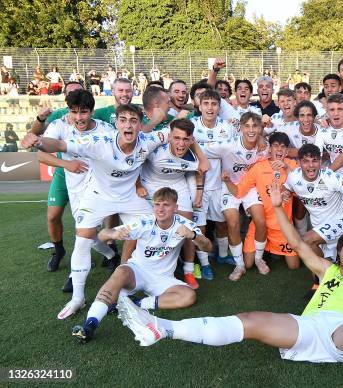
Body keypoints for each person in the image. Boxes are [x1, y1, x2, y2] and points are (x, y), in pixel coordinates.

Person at [117, 181, 343, 376]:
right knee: (250, 321)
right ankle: (162, 329)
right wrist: (276, 207)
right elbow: (296, 242)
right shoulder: (327, 269)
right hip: (307, 330)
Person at [21, 104, 208, 320]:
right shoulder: (100, 142)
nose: (128, 124)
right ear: (117, 123)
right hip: (99, 195)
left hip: (130, 197)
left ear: (140, 125)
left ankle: (130, 272)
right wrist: (39, 141)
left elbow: (184, 135)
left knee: (150, 226)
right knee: (83, 240)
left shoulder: (149, 140)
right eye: (123, 120)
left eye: (133, 120)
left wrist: (201, 158)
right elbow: (61, 143)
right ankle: (78, 298)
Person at [72, 187, 213, 343]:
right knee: (120, 273)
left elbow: (208, 247)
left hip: (163, 278)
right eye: (157, 204)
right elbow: (101, 235)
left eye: (166, 205)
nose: (160, 209)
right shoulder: (144, 221)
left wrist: (192, 235)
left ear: (176, 208)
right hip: (137, 271)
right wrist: (112, 233)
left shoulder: (184, 224)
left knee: (189, 296)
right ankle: (89, 325)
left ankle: (135, 303)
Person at [36, 89, 120, 277]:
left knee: (83, 233)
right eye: (74, 112)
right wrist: (66, 164)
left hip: (99, 190)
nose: (79, 117)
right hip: (75, 189)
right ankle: (111, 254)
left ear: (91, 111)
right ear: (69, 111)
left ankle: (75, 279)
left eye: (84, 112)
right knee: (90, 235)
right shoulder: (60, 126)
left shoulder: (106, 129)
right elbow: (41, 154)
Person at [198, 112, 268, 281]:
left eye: (255, 126)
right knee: (233, 222)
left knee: (261, 220)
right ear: (241, 128)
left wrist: (263, 139)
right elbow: (199, 146)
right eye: (247, 126)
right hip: (230, 186)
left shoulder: (264, 147)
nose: (251, 130)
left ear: (260, 128)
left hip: (250, 188)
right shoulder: (228, 145)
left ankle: (258, 258)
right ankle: (239, 265)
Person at [137, 118, 204, 289]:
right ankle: (139, 267)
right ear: (169, 137)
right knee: (151, 223)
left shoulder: (194, 157)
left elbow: (201, 170)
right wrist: (138, 186)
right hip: (151, 184)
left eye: (185, 139)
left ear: (191, 140)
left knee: (188, 224)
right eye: (177, 138)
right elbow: (136, 160)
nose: (181, 144)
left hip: (177, 184)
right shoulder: (156, 149)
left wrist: (199, 194)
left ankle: (188, 270)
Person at [222, 132, 300, 273]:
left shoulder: (292, 165)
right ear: (270, 149)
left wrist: (286, 169)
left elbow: (303, 188)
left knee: (293, 265)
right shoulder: (259, 167)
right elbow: (239, 192)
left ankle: (272, 251)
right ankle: (267, 252)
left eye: (283, 147)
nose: (279, 150)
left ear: (287, 151)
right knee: (248, 264)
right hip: (261, 224)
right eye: (276, 146)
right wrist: (227, 181)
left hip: (282, 227)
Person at [191, 89, 238, 280]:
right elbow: (187, 148)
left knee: (221, 222)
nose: (210, 108)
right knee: (200, 227)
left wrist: (199, 147)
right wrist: (218, 148)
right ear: (199, 106)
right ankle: (204, 264)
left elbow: (229, 151)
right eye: (206, 104)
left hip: (220, 184)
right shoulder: (192, 125)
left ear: (219, 107)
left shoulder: (227, 127)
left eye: (214, 104)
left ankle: (223, 255)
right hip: (197, 184)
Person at [284, 144, 343, 259]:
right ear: (299, 163)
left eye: (315, 161)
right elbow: (286, 187)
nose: (311, 165)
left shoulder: (331, 177)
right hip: (319, 227)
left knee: (307, 240)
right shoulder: (294, 177)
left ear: (320, 161)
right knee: (317, 276)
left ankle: (327, 269)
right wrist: (285, 193)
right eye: (306, 161)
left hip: (341, 221)